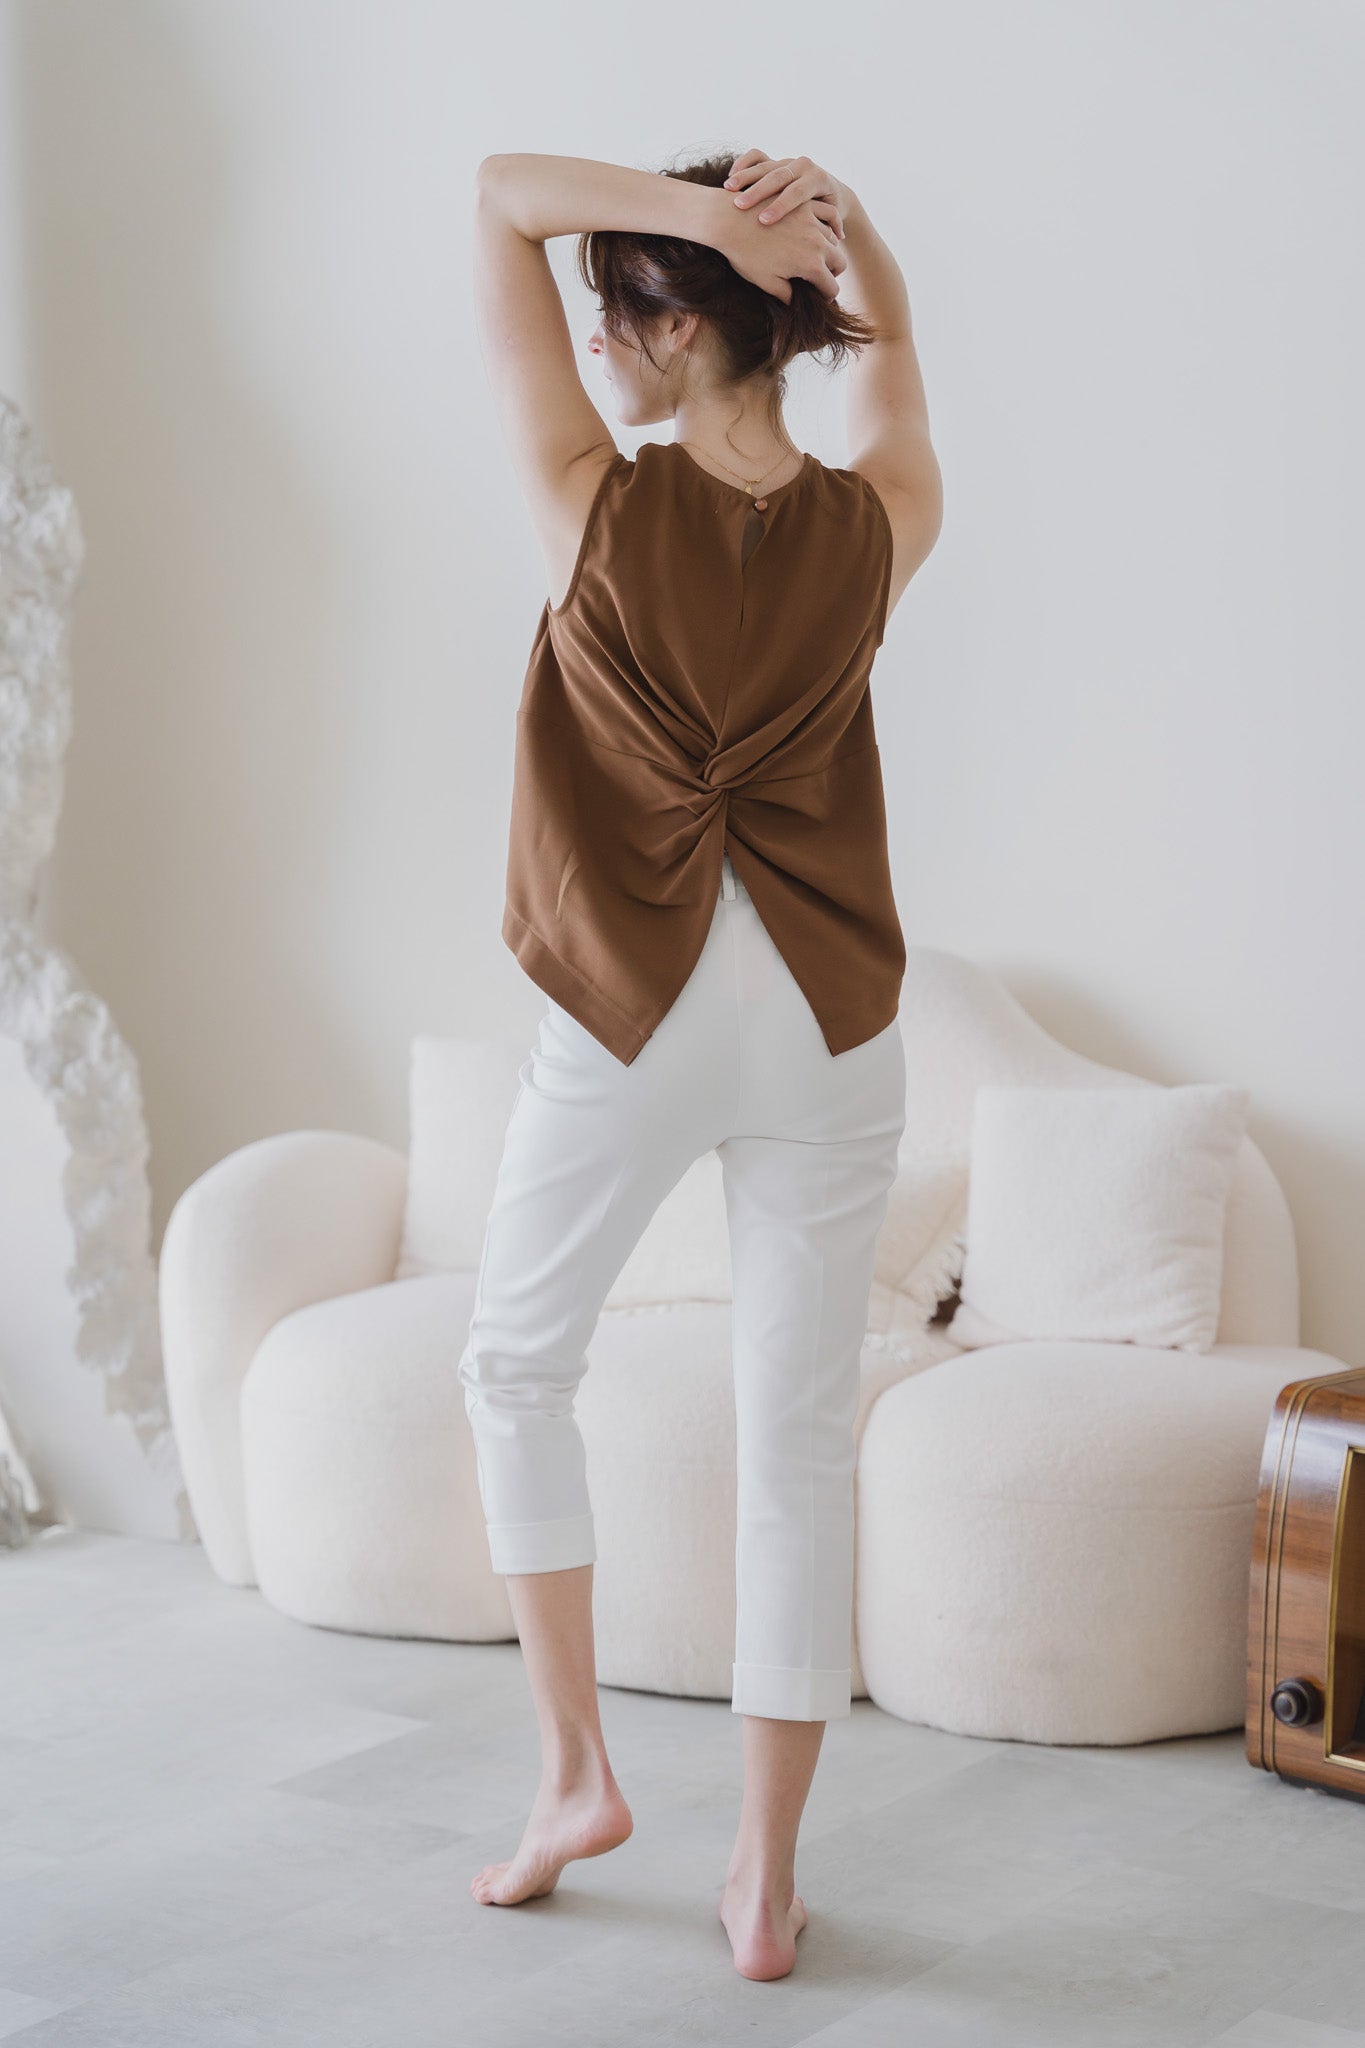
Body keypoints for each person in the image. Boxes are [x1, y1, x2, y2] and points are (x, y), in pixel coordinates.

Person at [461, 145, 942, 1981]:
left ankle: (576, 1773)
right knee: (793, 1443)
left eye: (618, 308)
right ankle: (761, 1877)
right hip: (830, 1022)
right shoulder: (877, 525)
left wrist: (733, 218)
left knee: (515, 1359)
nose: (592, 338)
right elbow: (890, 369)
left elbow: (498, 188)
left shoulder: (587, 500)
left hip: (636, 1007)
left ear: (671, 328)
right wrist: (839, 231)